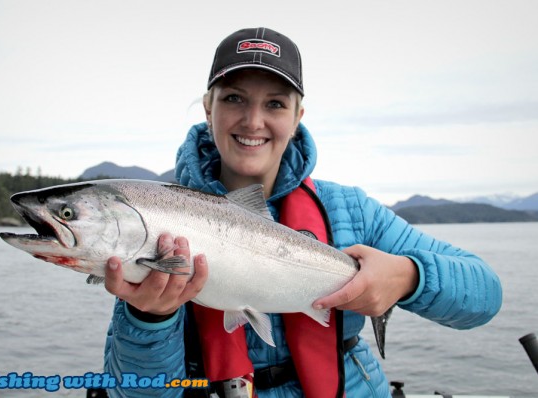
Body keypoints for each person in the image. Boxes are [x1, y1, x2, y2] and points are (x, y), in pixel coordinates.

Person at [102, 27, 502, 398]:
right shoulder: (153, 221)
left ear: (297, 119)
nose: (253, 121)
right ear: (209, 108)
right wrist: (148, 320)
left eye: (275, 104)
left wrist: (408, 277)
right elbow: (134, 391)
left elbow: (484, 296)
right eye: (234, 98)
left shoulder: (353, 211)